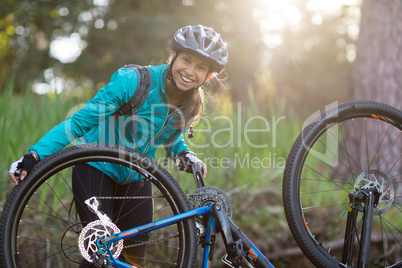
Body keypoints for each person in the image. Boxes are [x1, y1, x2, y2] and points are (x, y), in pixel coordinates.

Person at [9, 25, 228, 266]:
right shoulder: (134, 81)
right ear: (174, 56)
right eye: (186, 60)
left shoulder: (191, 101)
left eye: (201, 67)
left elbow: (171, 135)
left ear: (208, 76)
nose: (190, 71)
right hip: (95, 167)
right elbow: (78, 122)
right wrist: (35, 154)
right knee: (102, 249)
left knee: (132, 258)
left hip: (137, 177)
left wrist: (183, 153)